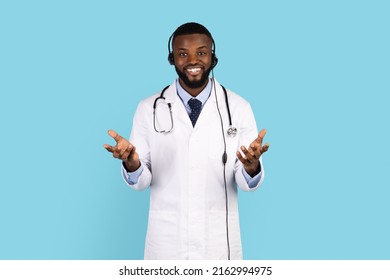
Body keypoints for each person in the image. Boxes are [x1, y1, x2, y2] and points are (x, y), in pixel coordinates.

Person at [104, 22, 269, 260]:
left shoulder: (239, 108)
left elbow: (245, 183)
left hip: (218, 245)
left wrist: (251, 166)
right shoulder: (148, 108)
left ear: (213, 57)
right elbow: (141, 182)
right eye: (183, 54)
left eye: (201, 52)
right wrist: (132, 162)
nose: (193, 60)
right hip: (167, 243)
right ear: (172, 59)